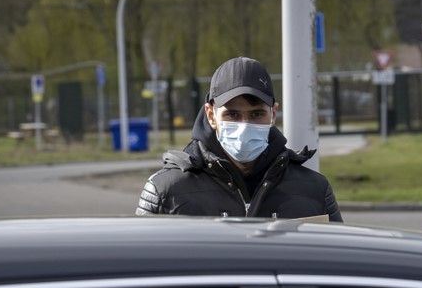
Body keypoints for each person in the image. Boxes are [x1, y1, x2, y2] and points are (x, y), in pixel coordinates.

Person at [137, 56, 342, 220]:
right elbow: (143, 267)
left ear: (273, 114)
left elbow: (335, 264)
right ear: (211, 115)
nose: (244, 126)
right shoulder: (166, 190)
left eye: (256, 114)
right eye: (232, 115)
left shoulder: (314, 189)